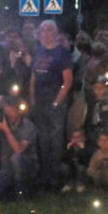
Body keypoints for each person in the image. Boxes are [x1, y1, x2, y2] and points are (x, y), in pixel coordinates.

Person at [29, 20, 74, 193]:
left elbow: (67, 81)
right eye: (42, 31)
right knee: (42, 141)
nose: (45, 34)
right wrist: (33, 100)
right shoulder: (37, 51)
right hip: (40, 103)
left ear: (55, 33)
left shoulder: (62, 53)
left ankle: (54, 180)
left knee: (55, 142)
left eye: (48, 30)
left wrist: (56, 102)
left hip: (55, 103)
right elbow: (33, 78)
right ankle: (43, 177)